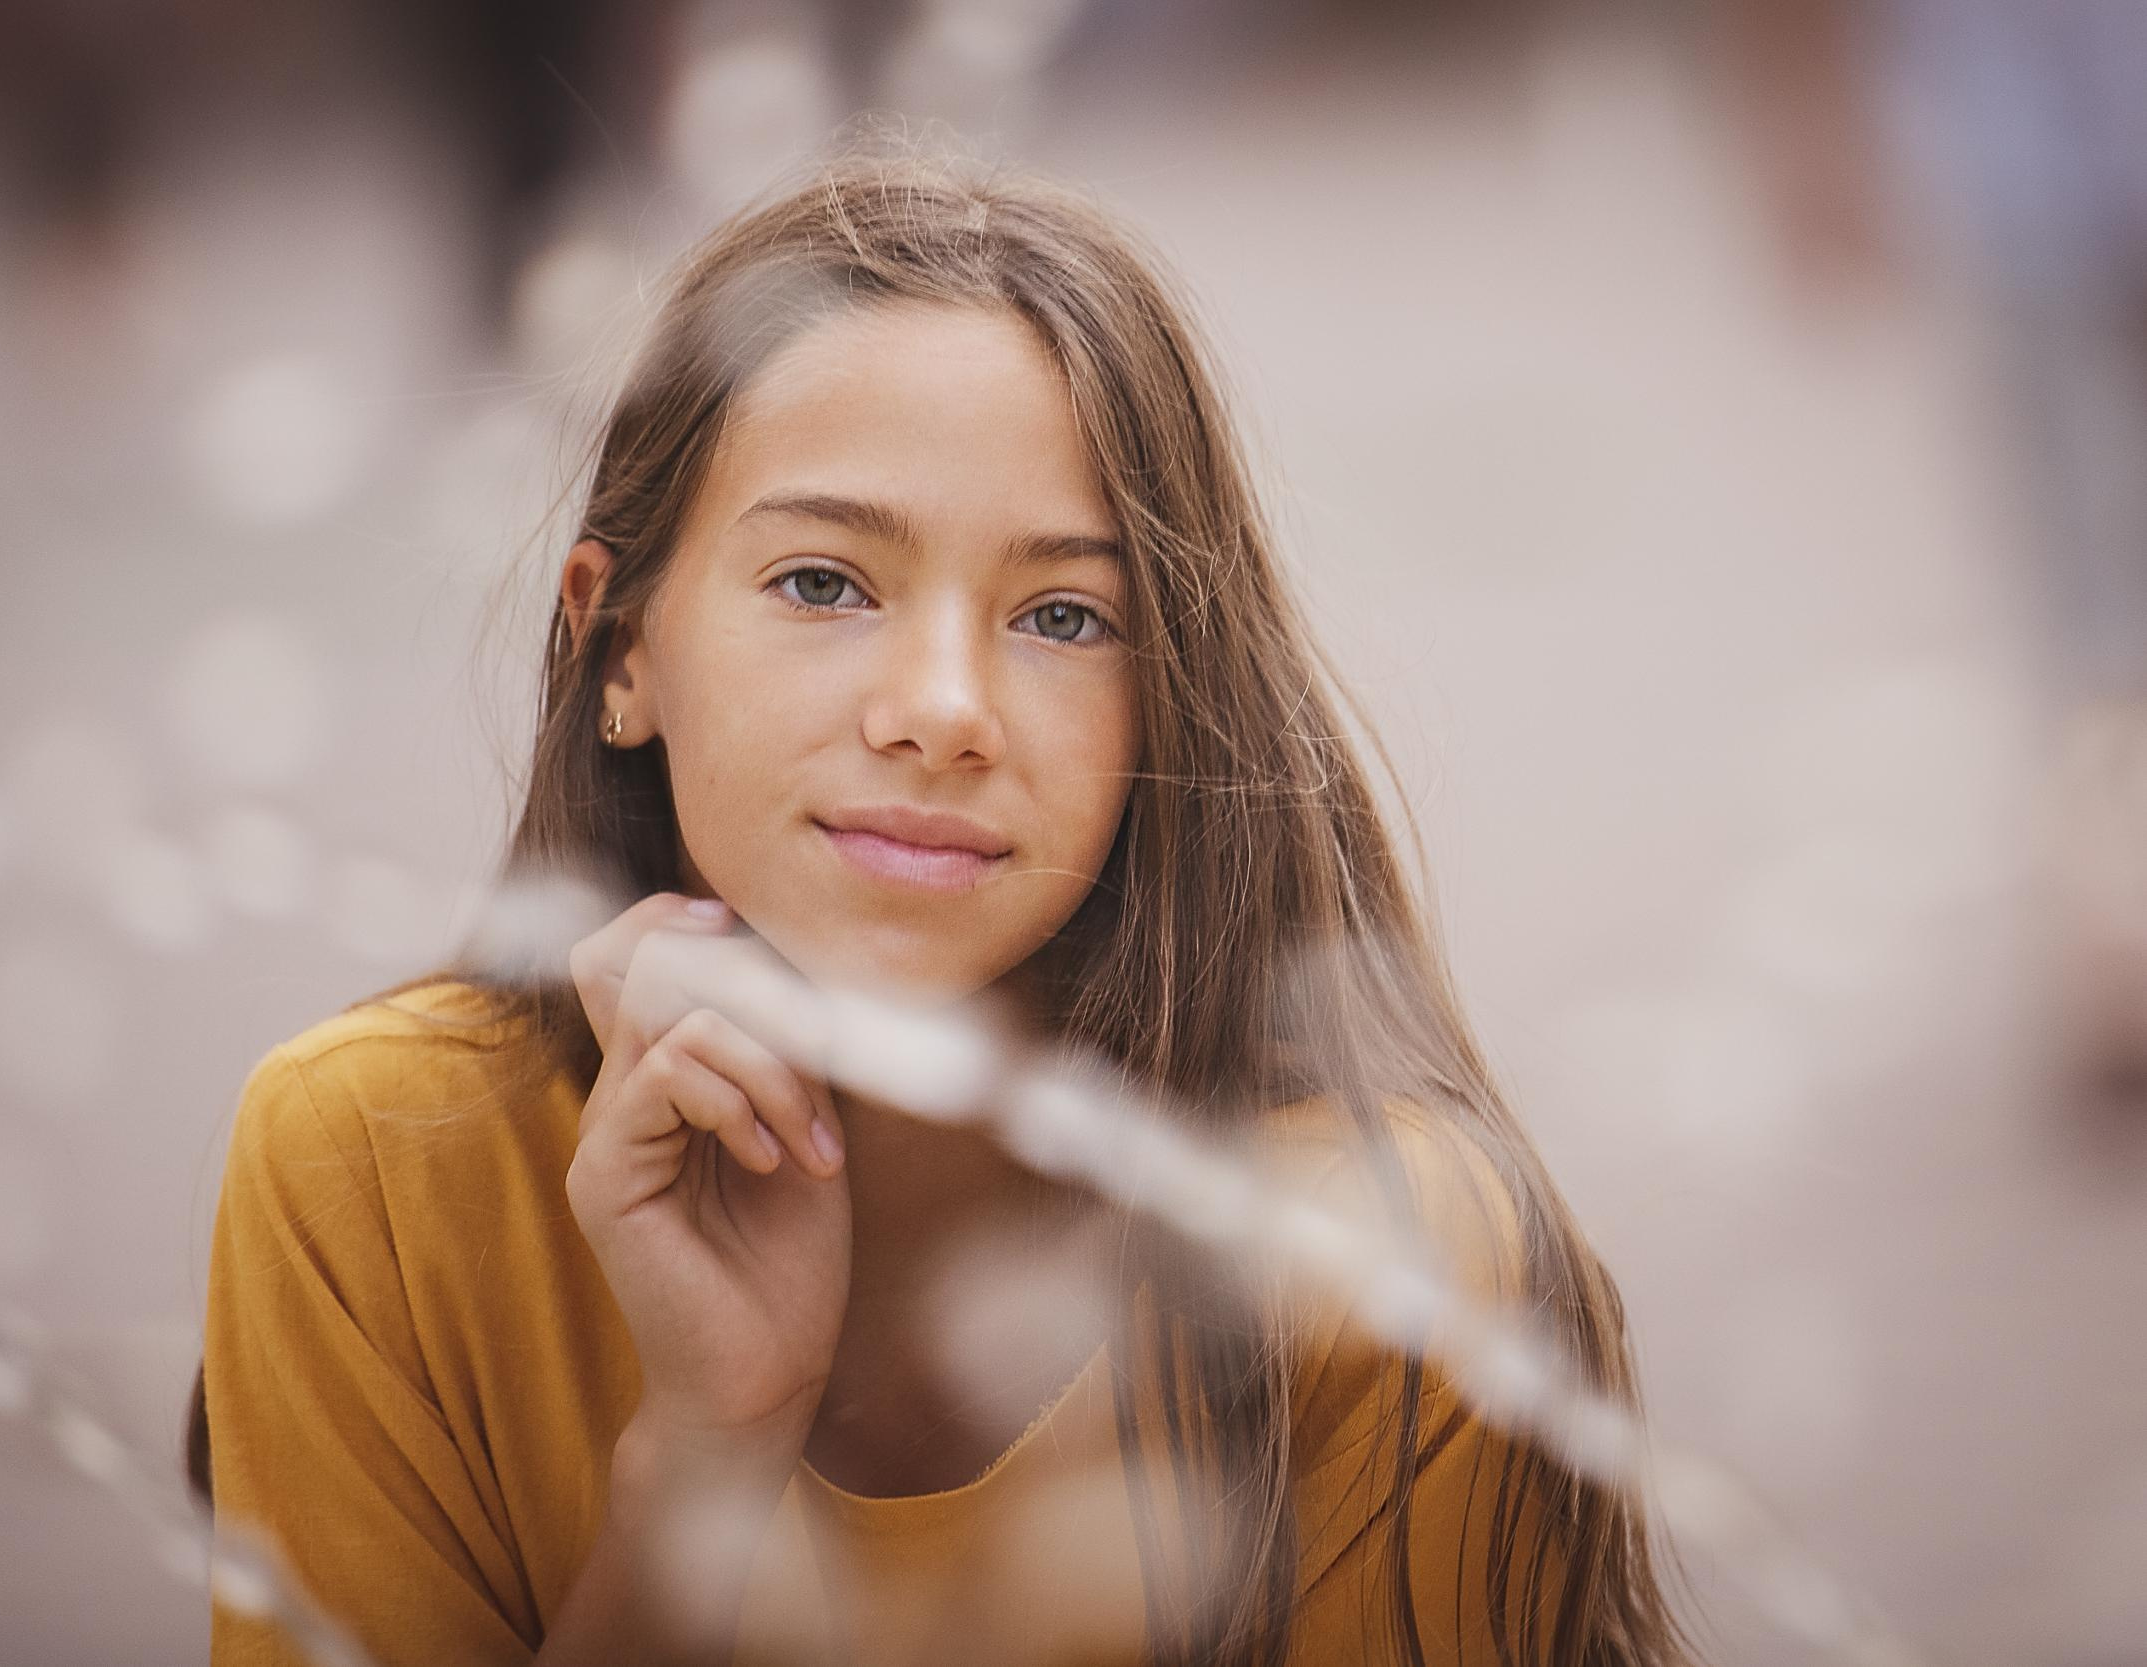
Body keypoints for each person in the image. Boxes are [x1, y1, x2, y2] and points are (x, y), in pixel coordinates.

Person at [188, 142, 1694, 1666]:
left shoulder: (1373, 1260)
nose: (942, 711)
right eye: (824, 584)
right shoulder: (368, 1165)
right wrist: (707, 1451)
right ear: (619, 646)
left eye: (1063, 616)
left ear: (1168, 706)